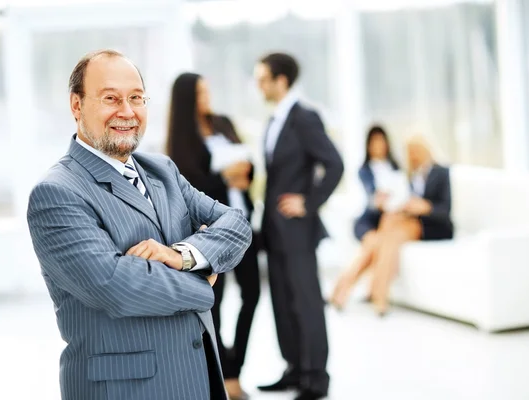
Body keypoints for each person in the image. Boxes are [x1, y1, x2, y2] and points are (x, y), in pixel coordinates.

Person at [26, 49, 252, 400]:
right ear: (76, 105)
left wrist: (183, 256)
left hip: (197, 379)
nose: (127, 112)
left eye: (136, 98)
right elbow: (117, 287)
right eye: (110, 98)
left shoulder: (162, 170)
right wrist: (204, 281)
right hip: (127, 389)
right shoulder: (57, 193)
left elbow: (235, 224)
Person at [254, 52, 344, 400]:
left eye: (263, 79)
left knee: (306, 301)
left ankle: (315, 378)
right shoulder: (274, 119)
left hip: (297, 229)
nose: (259, 86)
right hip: (274, 228)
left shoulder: (304, 117)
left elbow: (334, 164)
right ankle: (293, 369)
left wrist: (309, 201)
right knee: (282, 300)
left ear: (281, 81)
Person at [165, 72, 260, 400]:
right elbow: (192, 187)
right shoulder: (181, 138)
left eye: (207, 89)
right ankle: (225, 374)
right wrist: (225, 177)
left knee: (253, 295)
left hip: (244, 224)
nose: (207, 96)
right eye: (200, 92)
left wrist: (244, 174)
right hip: (209, 233)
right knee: (214, 303)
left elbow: (248, 166)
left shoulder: (223, 123)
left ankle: (236, 366)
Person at [330, 134, 453, 315]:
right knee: (381, 234)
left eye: (416, 151)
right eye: (409, 152)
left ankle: (365, 289)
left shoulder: (441, 172)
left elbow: (444, 209)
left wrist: (424, 207)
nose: (413, 156)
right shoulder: (409, 175)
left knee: (389, 237)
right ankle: (356, 286)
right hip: (406, 219)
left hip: (432, 225)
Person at [329, 125, 401, 308]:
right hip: (368, 221)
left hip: (389, 222)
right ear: (368, 146)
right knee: (373, 246)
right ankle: (344, 288)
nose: (378, 146)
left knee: (376, 249)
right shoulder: (365, 170)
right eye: (374, 142)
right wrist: (379, 199)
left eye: (381, 141)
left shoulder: (396, 168)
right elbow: (371, 196)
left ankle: (342, 288)